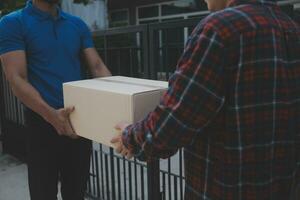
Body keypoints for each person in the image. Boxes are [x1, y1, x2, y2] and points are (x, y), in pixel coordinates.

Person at [111, 0, 300, 199]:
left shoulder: (219, 29)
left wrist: (130, 137)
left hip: (224, 190)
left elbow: (173, 122)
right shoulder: (292, 28)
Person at [0, 0, 111, 199]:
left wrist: (119, 104)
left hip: (78, 122)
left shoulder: (76, 24)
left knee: (76, 192)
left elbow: (97, 66)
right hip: (41, 121)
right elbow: (16, 78)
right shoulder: (13, 23)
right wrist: (52, 116)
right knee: (43, 193)